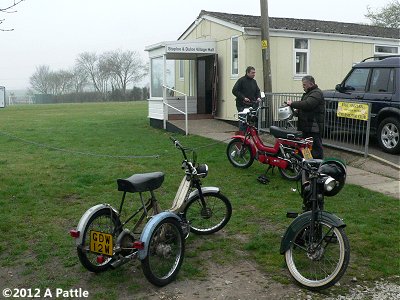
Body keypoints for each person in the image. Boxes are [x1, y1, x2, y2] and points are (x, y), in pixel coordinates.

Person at [287, 75, 325, 159]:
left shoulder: (317, 93)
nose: (303, 87)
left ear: (310, 84)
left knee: (316, 148)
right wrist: (296, 112)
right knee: (305, 148)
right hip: (306, 126)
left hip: (313, 127)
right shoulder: (308, 94)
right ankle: (307, 165)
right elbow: (304, 107)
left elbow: (308, 104)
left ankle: (317, 166)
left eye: (304, 85)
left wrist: (292, 103)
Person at [232, 66, 261, 132]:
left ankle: (249, 135)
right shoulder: (241, 80)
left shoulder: (254, 81)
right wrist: (243, 97)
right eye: (252, 73)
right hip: (242, 105)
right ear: (247, 72)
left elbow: (257, 91)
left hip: (251, 105)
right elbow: (234, 91)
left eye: (254, 73)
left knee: (251, 121)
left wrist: (258, 97)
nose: (254, 74)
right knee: (243, 121)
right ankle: (242, 137)